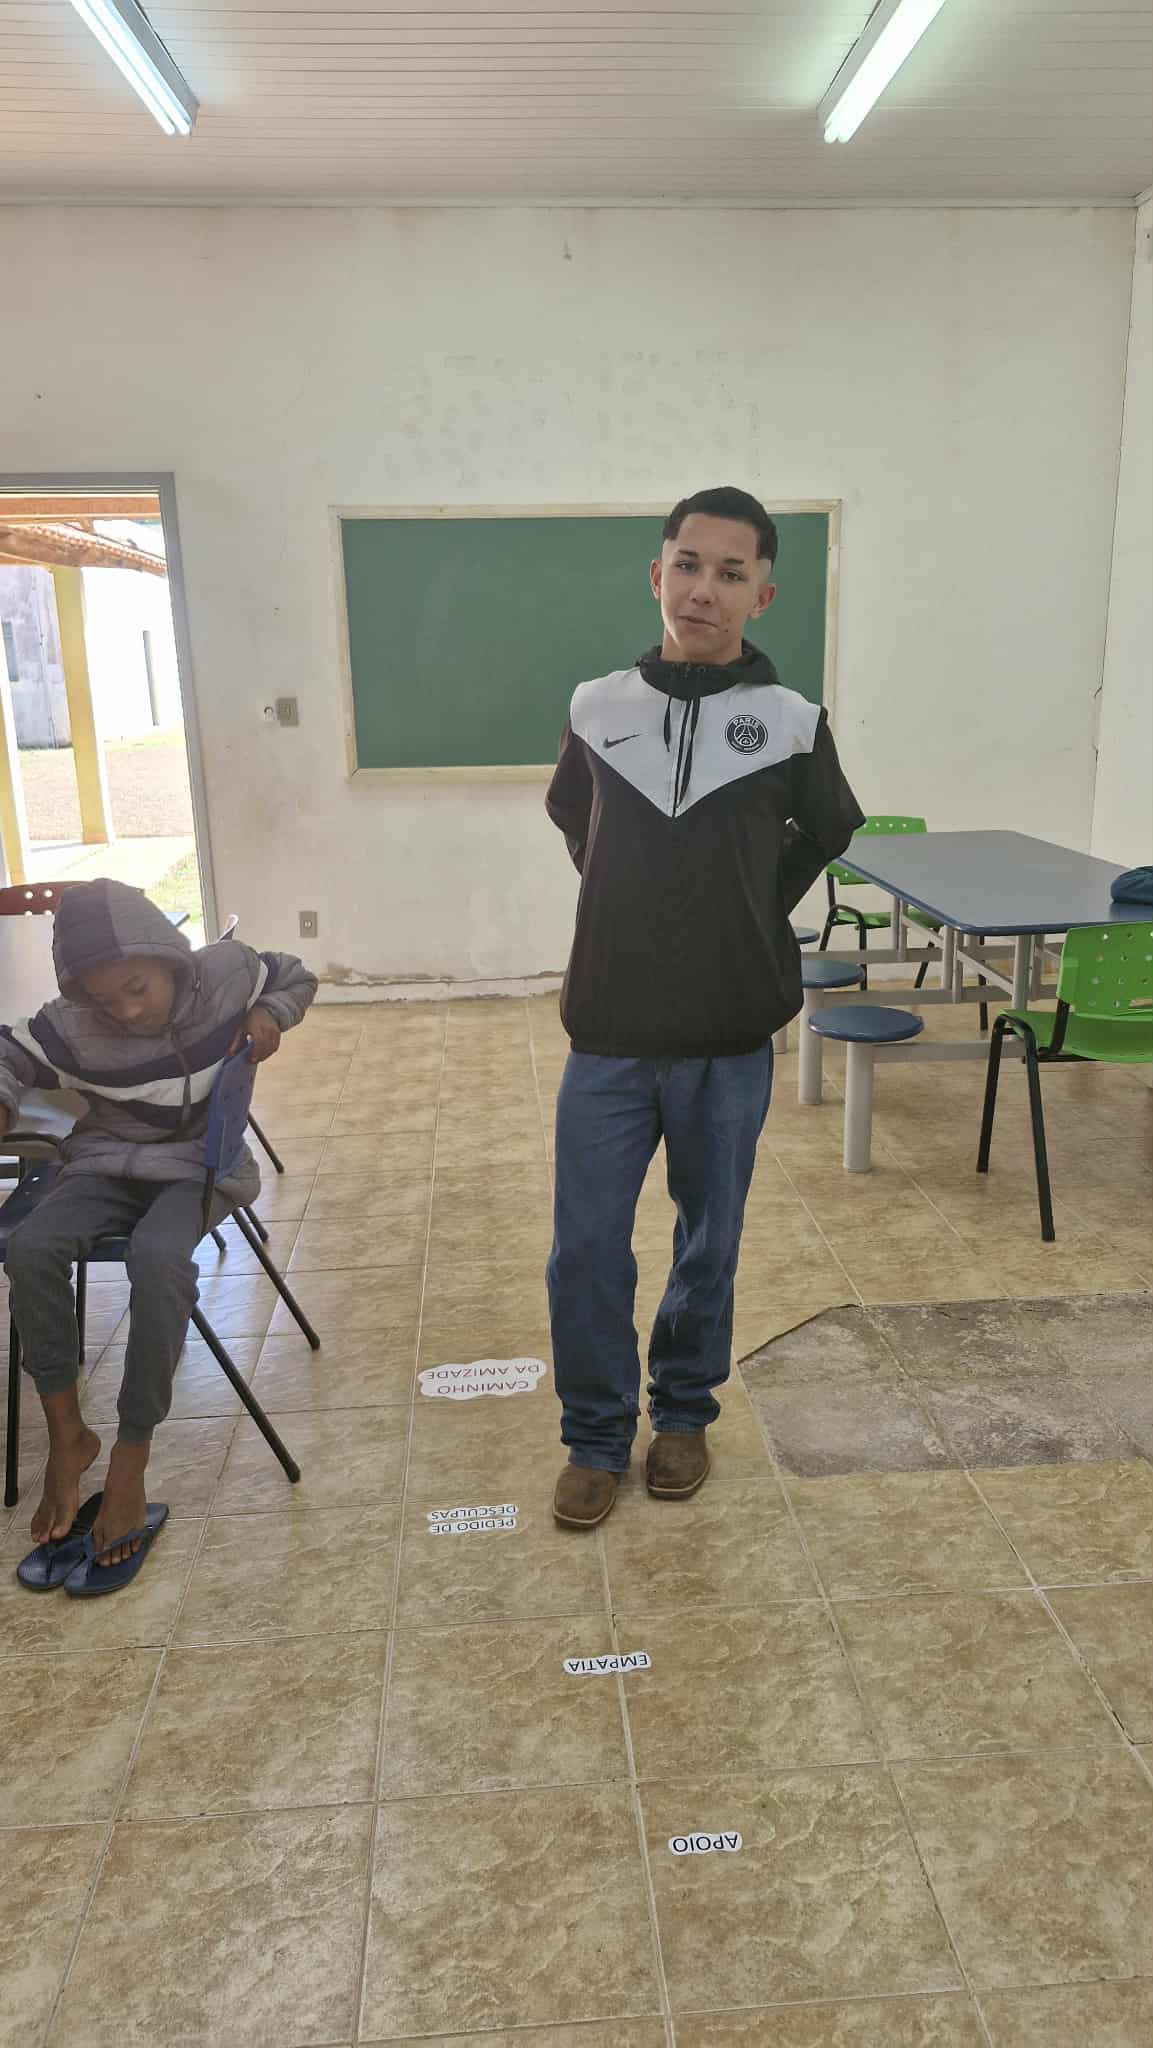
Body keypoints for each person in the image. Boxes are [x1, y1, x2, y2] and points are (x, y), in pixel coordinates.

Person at [545, 485, 864, 1528]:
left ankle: (681, 1414)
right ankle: (596, 1435)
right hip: (608, 1030)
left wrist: (749, 904)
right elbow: (574, 818)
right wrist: (632, 900)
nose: (703, 589)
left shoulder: (790, 723)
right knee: (585, 1248)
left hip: (729, 1037)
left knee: (707, 1242)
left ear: (760, 595)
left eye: (731, 573)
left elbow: (827, 828)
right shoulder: (596, 706)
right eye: (687, 564)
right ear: (657, 574)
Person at [0, 878, 317, 1586]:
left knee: (158, 1256)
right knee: (29, 1246)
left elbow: (295, 975)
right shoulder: (71, 1023)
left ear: (171, 957)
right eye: (105, 999)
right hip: (105, 1162)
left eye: (137, 988)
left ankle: (130, 1457)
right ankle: (68, 1437)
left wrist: (269, 1010)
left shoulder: (226, 973)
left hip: (197, 1166)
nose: (126, 1010)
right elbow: (10, 1050)